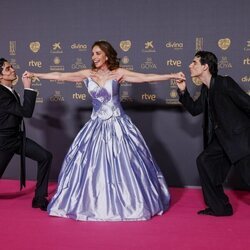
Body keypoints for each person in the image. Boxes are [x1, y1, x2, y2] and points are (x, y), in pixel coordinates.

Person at [24, 40, 185, 221]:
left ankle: (131, 204)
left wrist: (171, 76)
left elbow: (144, 77)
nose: (94, 57)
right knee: (91, 167)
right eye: (92, 54)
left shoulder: (118, 73)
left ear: (107, 55)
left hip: (118, 125)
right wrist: (36, 74)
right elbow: (61, 75)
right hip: (96, 125)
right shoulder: (87, 74)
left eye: (98, 53)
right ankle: (92, 204)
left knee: (127, 164)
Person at [176, 51, 250, 216]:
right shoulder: (206, 89)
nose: (190, 65)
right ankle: (220, 208)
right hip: (222, 140)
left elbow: (247, 104)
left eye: (194, 62)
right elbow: (195, 110)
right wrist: (183, 91)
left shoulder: (224, 83)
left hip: (240, 140)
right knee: (204, 161)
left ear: (205, 66)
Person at [0, 58, 53, 211]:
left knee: (45, 156)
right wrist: (28, 87)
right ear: (0, 76)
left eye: (11, 67)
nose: (13, 70)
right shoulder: (1, 94)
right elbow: (26, 112)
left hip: (16, 138)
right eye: (8, 69)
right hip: (4, 141)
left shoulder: (9, 91)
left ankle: (39, 198)